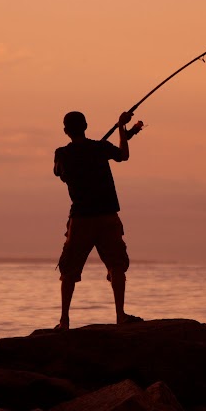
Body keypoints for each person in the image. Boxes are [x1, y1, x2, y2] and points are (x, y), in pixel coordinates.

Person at [53, 110, 144, 330]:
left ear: (66, 131)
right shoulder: (99, 148)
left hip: (81, 218)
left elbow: (58, 172)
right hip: (107, 216)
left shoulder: (62, 153)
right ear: (86, 126)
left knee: (69, 270)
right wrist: (122, 128)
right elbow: (123, 154)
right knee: (117, 266)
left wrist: (122, 131)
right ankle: (120, 315)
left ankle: (64, 321)